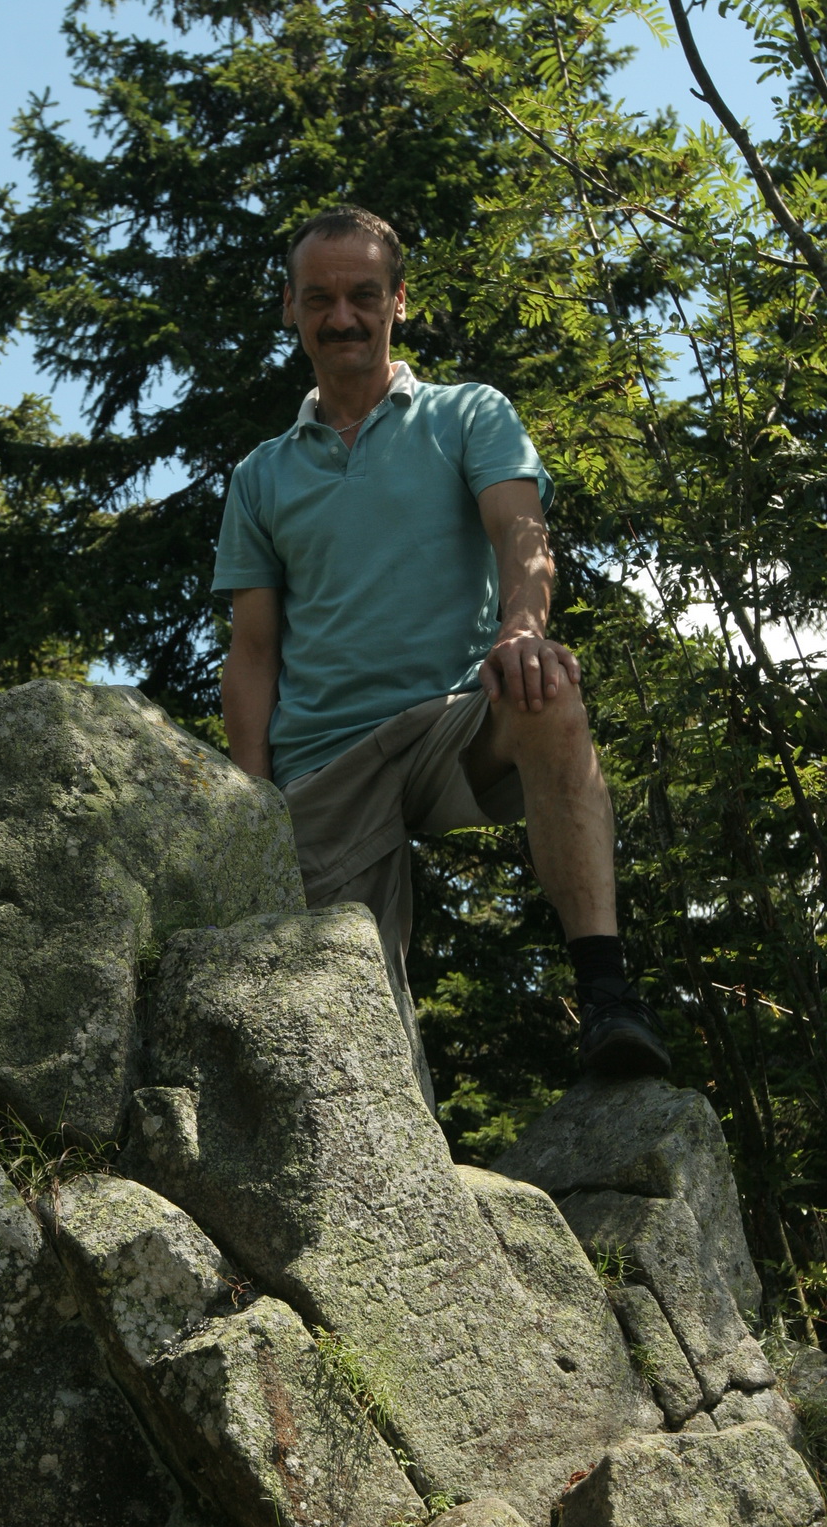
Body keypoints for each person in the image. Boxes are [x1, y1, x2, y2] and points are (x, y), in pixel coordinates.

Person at [212, 205, 669, 1101]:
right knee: (348, 1050)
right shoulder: (261, 476)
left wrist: (522, 630)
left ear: (399, 301)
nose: (342, 316)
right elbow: (254, 652)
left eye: (363, 295)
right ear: (290, 308)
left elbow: (521, 535)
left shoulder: (469, 415)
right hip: (325, 763)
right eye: (319, 298)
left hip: (452, 724)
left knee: (548, 689)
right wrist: (250, 805)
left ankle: (607, 995)